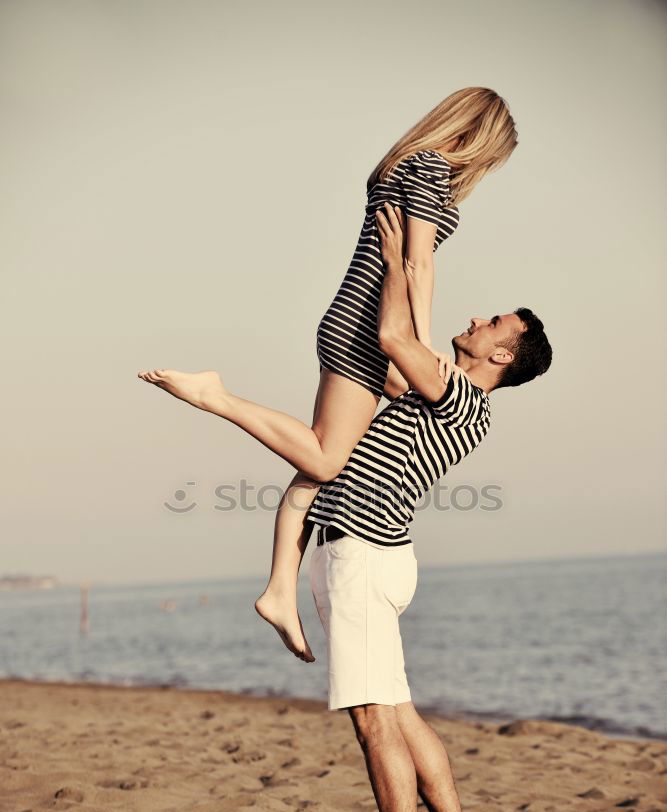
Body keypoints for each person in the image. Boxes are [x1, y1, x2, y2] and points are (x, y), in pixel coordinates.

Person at [138, 202, 552, 812]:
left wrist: (394, 263)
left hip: (358, 555)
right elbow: (390, 355)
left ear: (501, 354)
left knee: (373, 717)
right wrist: (416, 271)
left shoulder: (450, 391)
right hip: (383, 557)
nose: (479, 320)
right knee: (400, 711)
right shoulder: (460, 406)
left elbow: (392, 336)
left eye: (493, 323)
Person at [140, 88, 518, 665]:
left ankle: (278, 591)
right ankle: (218, 396)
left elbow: (405, 261)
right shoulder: (429, 169)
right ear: (479, 135)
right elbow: (416, 262)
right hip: (367, 328)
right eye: (492, 156)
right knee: (323, 458)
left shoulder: (404, 165)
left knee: (327, 462)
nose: (483, 168)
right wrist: (421, 342)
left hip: (359, 321)